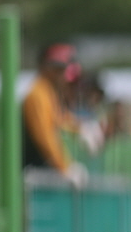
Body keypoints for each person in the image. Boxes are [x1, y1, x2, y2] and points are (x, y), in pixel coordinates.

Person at [21, 43, 88, 187]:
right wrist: (65, 167)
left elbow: (61, 119)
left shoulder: (47, 93)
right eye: (57, 69)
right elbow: (44, 136)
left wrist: (81, 129)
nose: (62, 74)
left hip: (37, 171)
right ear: (45, 67)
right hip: (30, 172)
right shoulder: (37, 94)